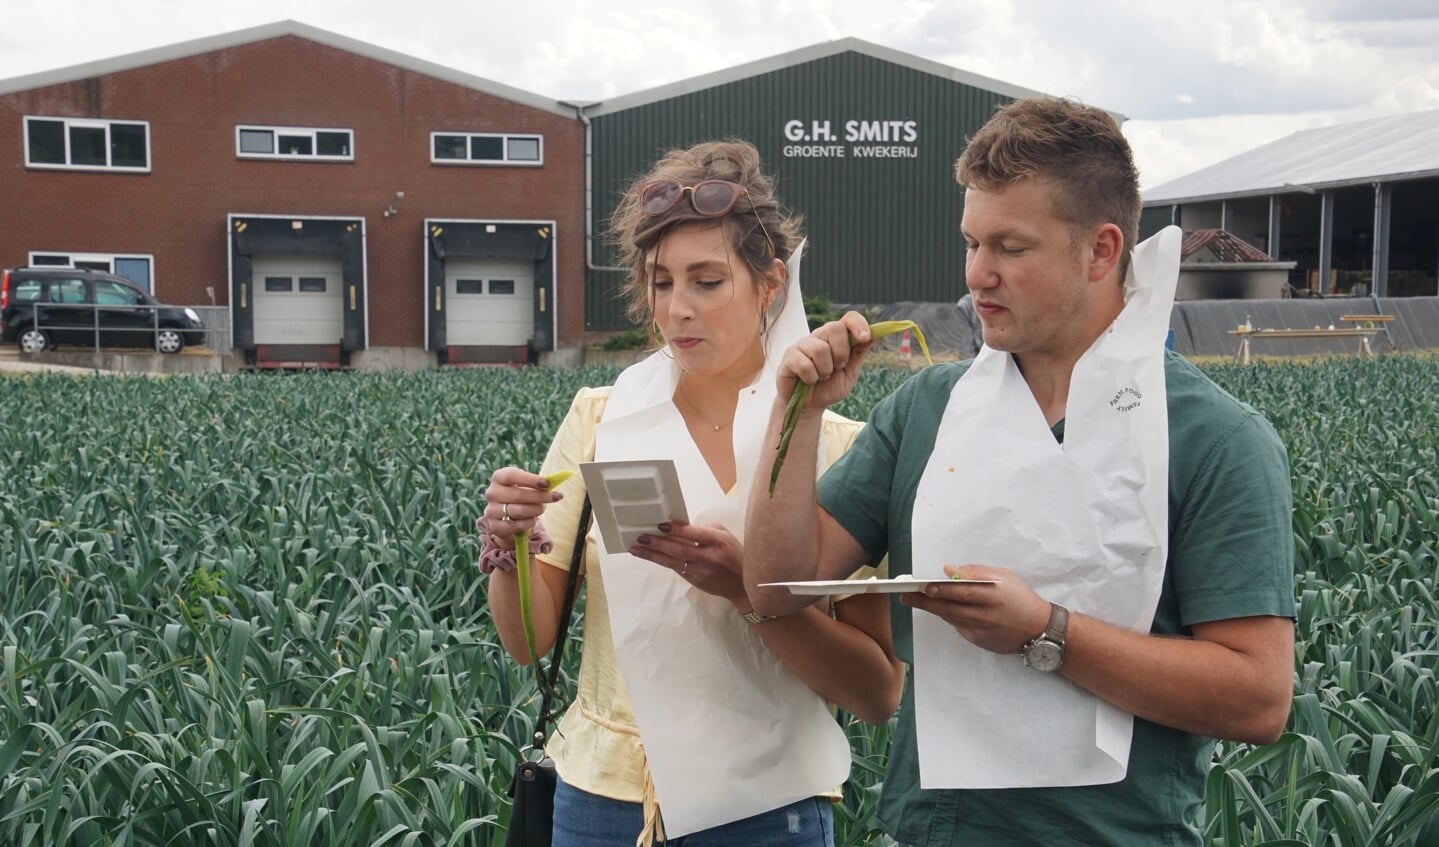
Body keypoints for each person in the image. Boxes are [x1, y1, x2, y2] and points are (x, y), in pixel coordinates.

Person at [744, 98, 1296, 846]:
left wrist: (1047, 630)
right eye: (971, 241)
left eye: (1010, 246)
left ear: (1100, 251)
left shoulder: (1215, 438)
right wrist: (796, 413)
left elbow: (1257, 698)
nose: (977, 274)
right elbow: (777, 584)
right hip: (933, 830)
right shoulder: (926, 409)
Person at [480, 140, 905, 846]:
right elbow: (528, 642)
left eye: (706, 281)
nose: (677, 309)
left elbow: (876, 691)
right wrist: (509, 541)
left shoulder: (830, 444)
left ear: (770, 282)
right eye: (660, 281)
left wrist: (748, 591)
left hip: (766, 805)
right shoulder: (600, 416)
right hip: (601, 798)